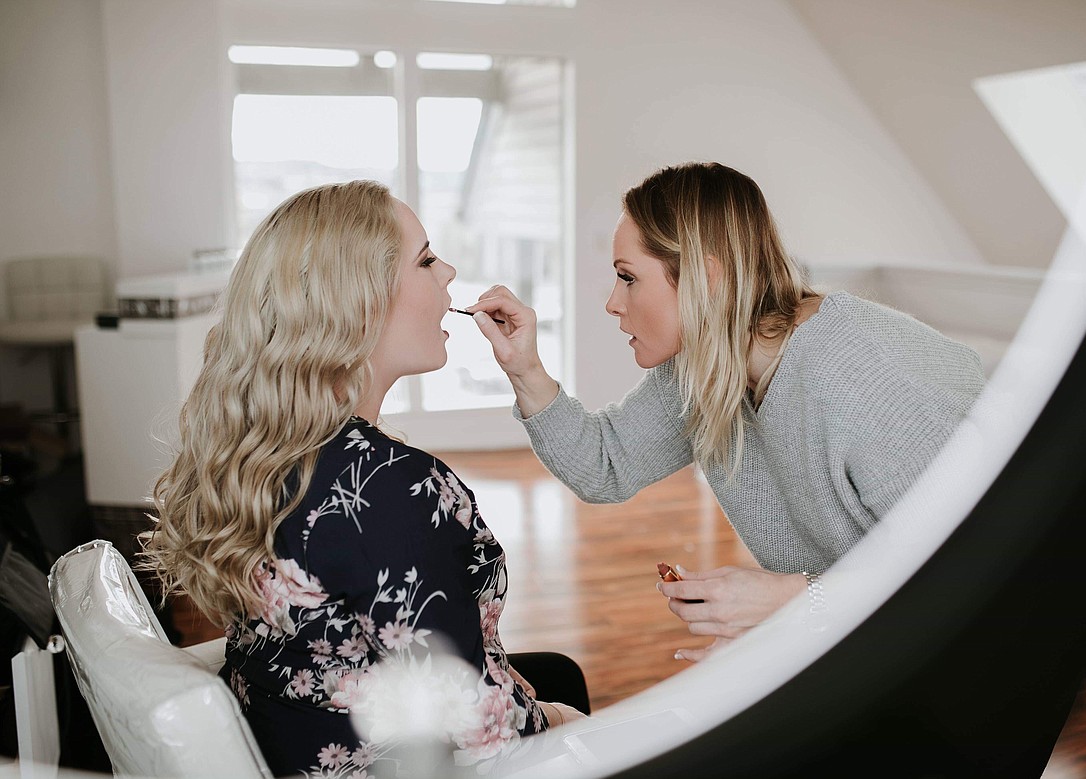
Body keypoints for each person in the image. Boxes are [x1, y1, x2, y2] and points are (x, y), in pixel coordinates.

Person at [142, 180, 586, 778]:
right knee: (573, 701)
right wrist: (558, 721)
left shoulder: (270, 450)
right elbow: (474, 720)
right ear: (360, 302)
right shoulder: (392, 489)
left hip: (297, 730)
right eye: (426, 260)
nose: (450, 272)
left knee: (557, 668)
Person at [467, 161, 987, 662]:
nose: (613, 302)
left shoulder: (860, 369)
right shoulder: (707, 364)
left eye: (628, 278)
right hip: (881, 642)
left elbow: (962, 571)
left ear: (705, 279)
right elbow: (605, 466)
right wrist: (525, 368)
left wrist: (788, 602)